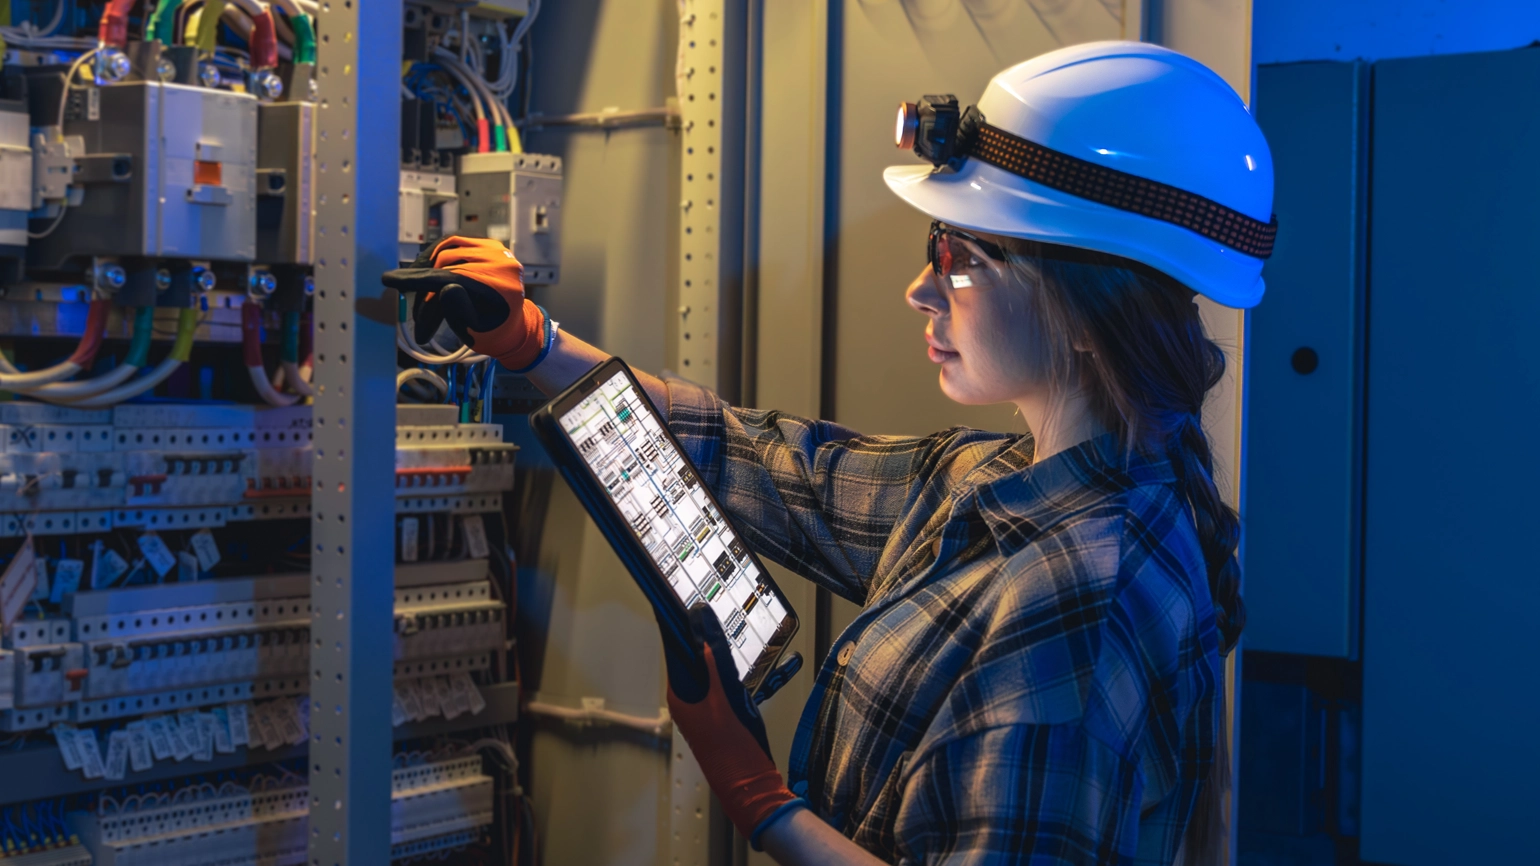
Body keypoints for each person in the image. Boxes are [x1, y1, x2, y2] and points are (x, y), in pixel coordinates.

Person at [385, 40, 1272, 866]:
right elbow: (770, 465)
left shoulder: (1078, 614)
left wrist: (767, 809)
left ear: (1089, 316)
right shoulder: (1003, 481)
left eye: (963, 259)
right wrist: (533, 342)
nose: (922, 289)